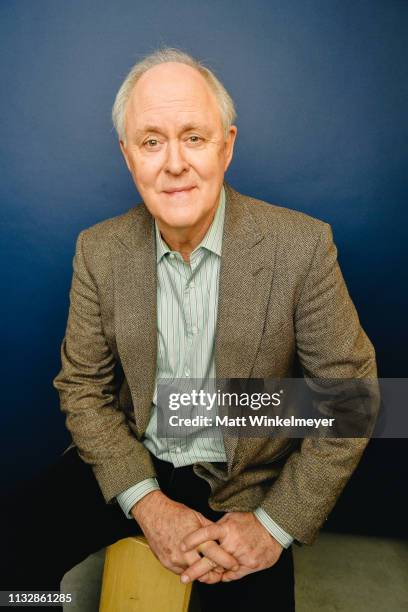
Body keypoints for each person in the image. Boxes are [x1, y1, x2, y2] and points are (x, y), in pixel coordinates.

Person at [1, 48, 379, 612]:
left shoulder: (302, 247)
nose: (173, 162)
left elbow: (351, 400)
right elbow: (82, 389)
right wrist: (147, 503)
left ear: (226, 146)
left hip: (247, 487)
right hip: (135, 455)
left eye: (194, 138)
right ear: (128, 157)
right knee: (11, 567)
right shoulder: (98, 251)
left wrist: (273, 526)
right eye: (151, 141)